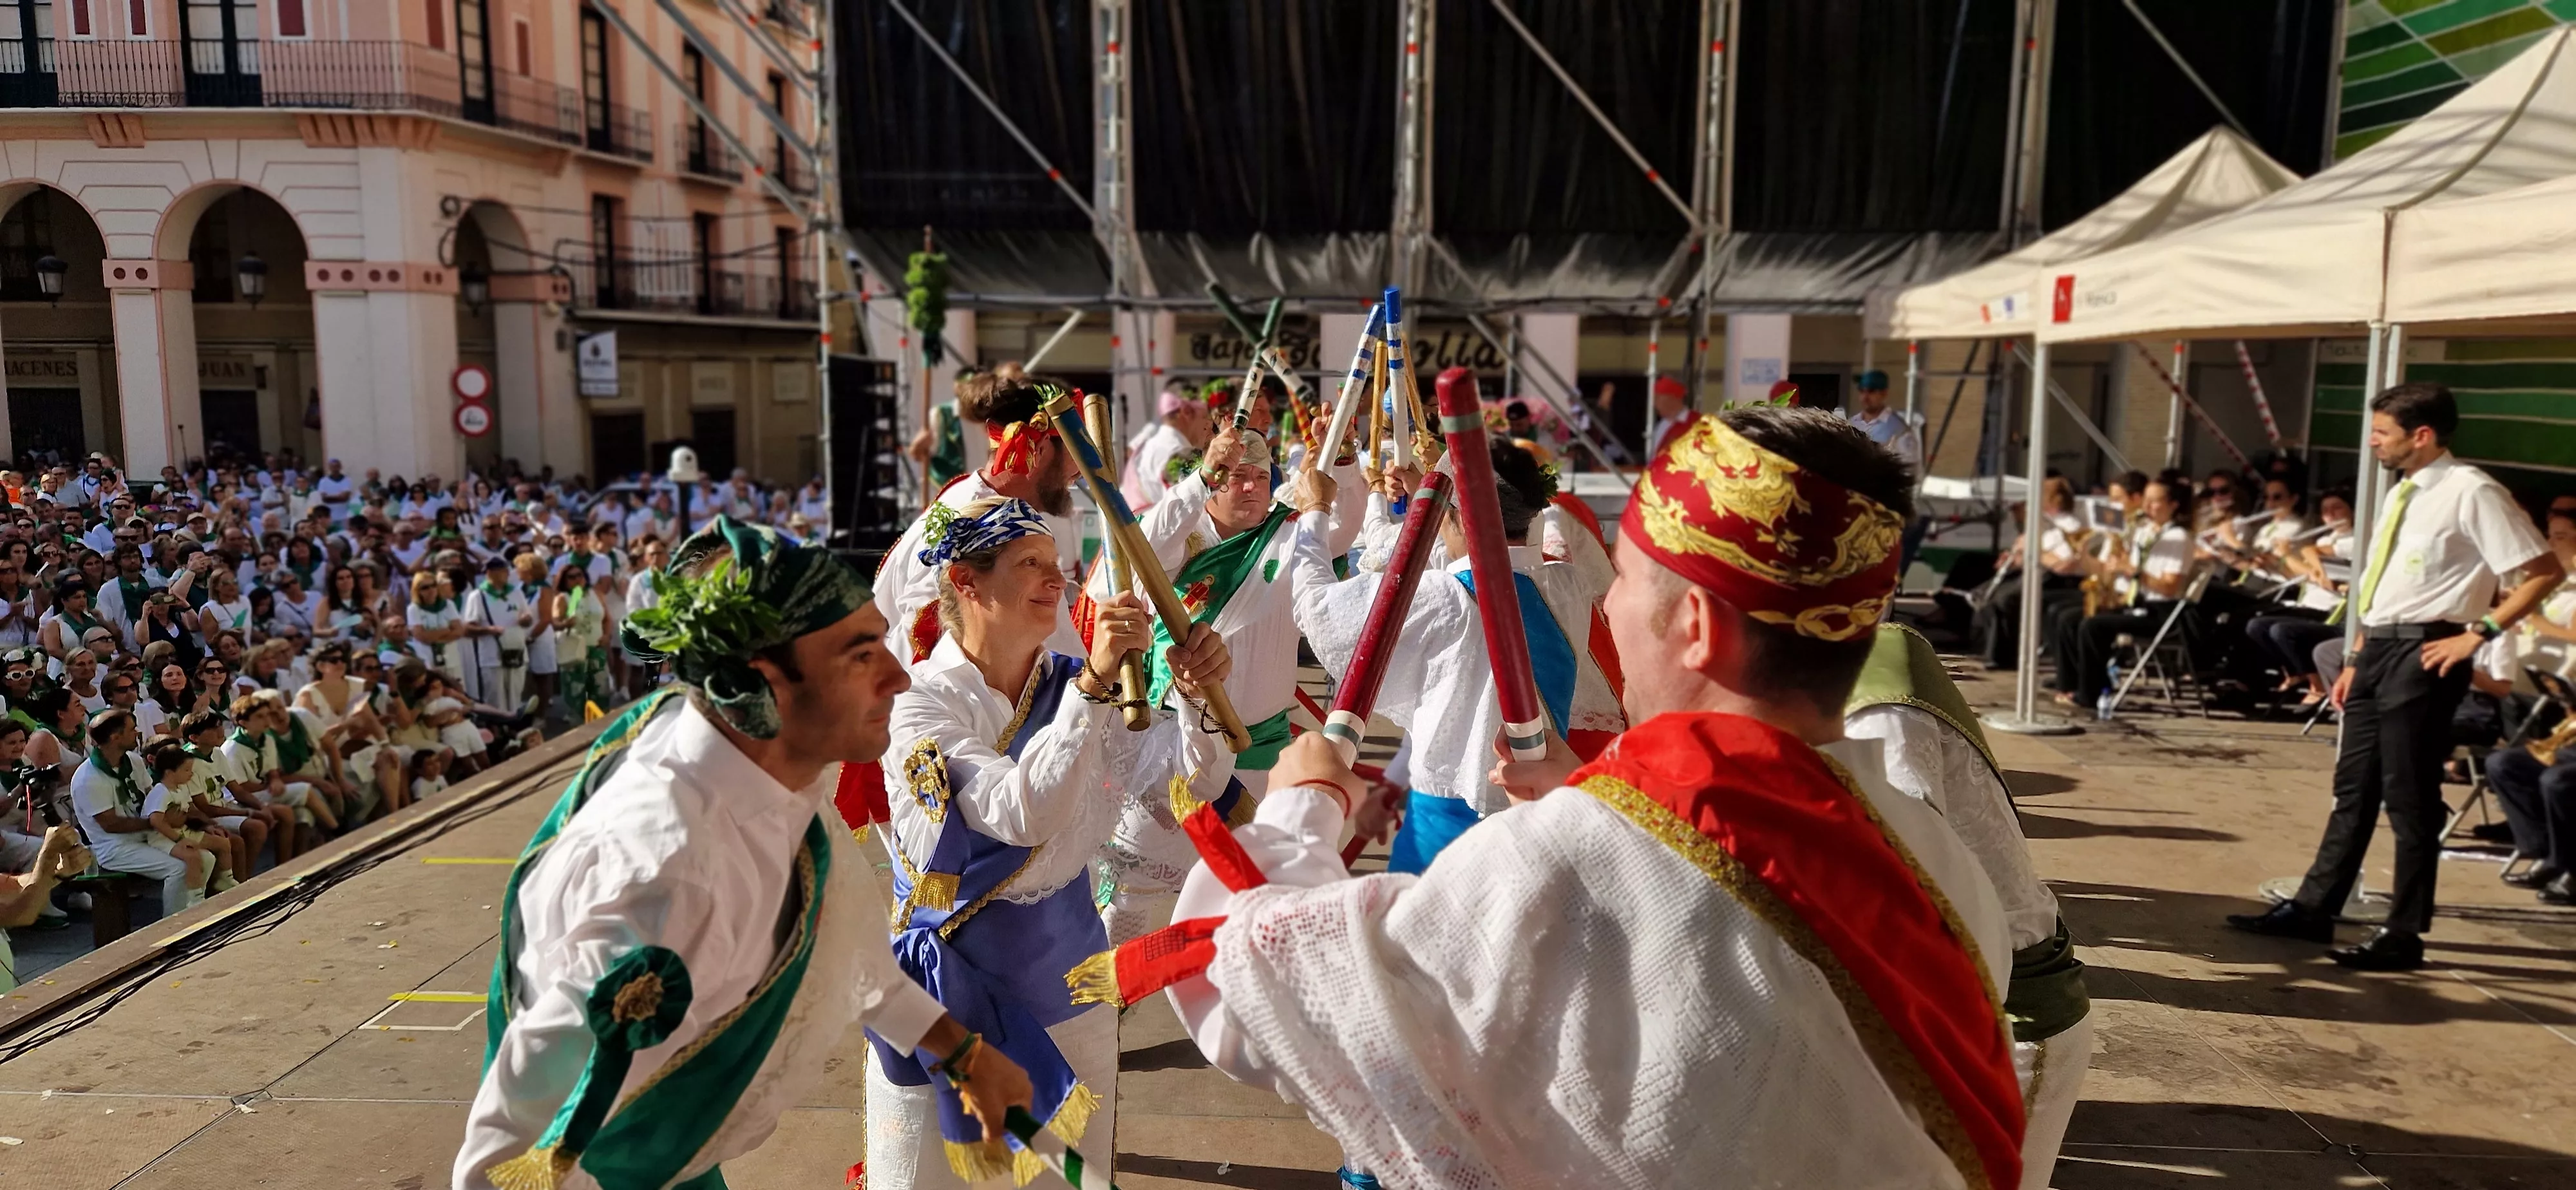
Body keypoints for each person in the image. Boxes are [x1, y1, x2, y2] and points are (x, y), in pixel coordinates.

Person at [1146, 406, 2020, 1189]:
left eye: (1625, 581)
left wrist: (1302, 807)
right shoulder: (1933, 854)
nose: (1608, 607)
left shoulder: (1565, 861)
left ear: (1697, 626)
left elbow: (1255, 998)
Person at [457, 516, 1035, 1190]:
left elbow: (839, 943)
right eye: (860, 656)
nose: (898, 678)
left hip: (674, 1156)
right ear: (764, 681)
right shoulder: (669, 876)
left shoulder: (750, 757)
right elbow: (506, 1160)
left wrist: (960, 1053)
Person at [867, 496, 1236, 1189]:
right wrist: (1094, 685)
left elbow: (1190, 785)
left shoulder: (1076, 686)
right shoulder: (917, 703)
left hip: (1072, 991)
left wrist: (1197, 696)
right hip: (945, 1002)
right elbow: (1019, 815)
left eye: (1057, 563)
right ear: (966, 582)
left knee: (1071, 1180)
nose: (1056, 579)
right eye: (1029, 563)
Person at [2230, 384, 2564, 969]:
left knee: (2410, 796)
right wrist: (2356, 656)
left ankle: (2404, 933)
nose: (2373, 443)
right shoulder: (2402, 493)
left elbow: (2542, 570)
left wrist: (2478, 634)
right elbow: (2386, 585)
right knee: (2354, 786)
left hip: (2427, 649)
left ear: (2422, 435)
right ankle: (2313, 908)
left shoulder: (2471, 491)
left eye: (2382, 432)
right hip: (2380, 647)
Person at [1293, 437, 1625, 875]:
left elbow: (1316, 606)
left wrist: (1314, 511)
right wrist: (1435, 498)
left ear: (1457, 519)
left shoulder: (1443, 598)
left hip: (1444, 826)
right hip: (1534, 811)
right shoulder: (1567, 586)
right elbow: (1470, 559)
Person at [876, 369, 1227, 674]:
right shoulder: (976, 520)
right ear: (1040, 447)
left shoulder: (1003, 507)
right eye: (1079, 454)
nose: (1083, 472)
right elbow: (926, 642)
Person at [2052, 478, 2195, 712]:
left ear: (2173, 505)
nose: (2146, 507)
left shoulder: (2179, 538)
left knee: (2093, 626)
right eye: (2146, 500)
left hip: (2161, 612)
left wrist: (2132, 571)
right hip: (2136, 603)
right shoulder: (2145, 532)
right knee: (2069, 618)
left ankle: (2090, 693)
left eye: (2155, 501)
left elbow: (2169, 587)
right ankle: (2070, 685)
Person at [71, 708, 206, 914]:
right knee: (178, 868)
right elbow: (111, 825)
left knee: (205, 856)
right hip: (115, 847)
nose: (137, 732)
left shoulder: (133, 761)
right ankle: (174, 923)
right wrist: (161, 822)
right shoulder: (88, 778)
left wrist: (178, 818)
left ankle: (201, 909)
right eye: (132, 729)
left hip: (148, 834)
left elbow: (152, 796)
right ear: (115, 737)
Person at [1976, 475, 2088, 670]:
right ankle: (1993, 651)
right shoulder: (2046, 525)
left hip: (2059, 581)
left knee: (2007, 599)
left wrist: (2033, 551)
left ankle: (2005, 656)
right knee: (1989, 594)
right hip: (2042, 574)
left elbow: (2064, 563)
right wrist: (2015, 560)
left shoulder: (2070, 525)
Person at [1126, 383, 1212, 510]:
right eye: (1205, 417)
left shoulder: (1147, 446)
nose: (1208, 424)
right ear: (1187, 412)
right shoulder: (1179, 452)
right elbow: (1188, 508)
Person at [1844, 368, 1922, 473]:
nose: (1865, 397)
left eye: (1871, 391)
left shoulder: (1899, 430)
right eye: (1862, 391)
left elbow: (1910, 472)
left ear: (1884, 394)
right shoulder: (1852, 424)